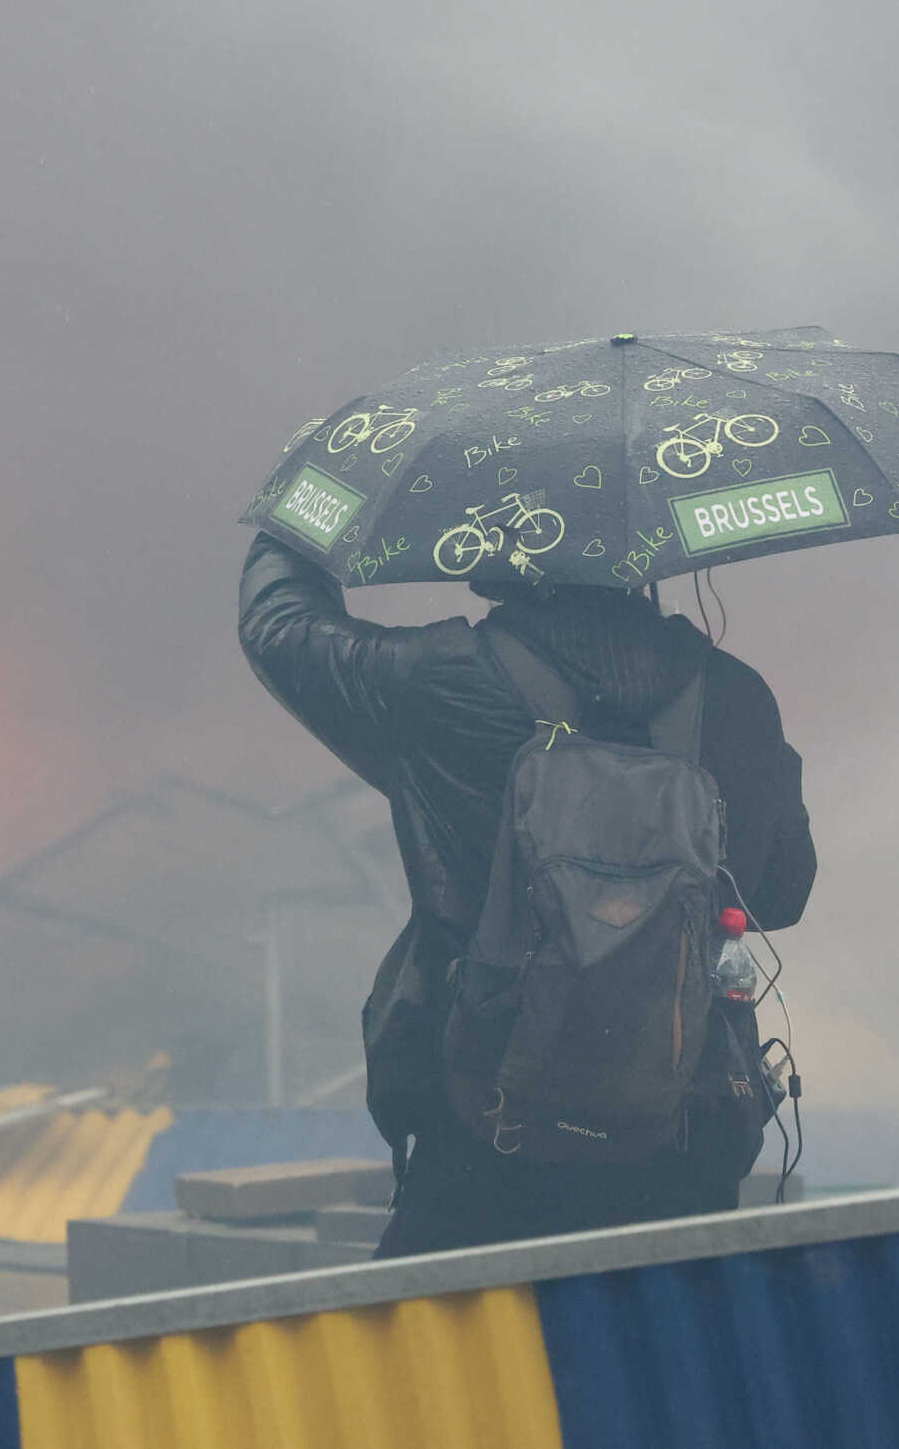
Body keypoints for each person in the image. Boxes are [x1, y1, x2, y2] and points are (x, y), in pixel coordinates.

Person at [237, 530, 815, 1258]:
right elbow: (785, 890)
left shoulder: (444, 678)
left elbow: (283, 631)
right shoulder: (737, 699)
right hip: (681, 1148)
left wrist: (300, 520)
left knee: (431, 1366)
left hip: (483, 1142)